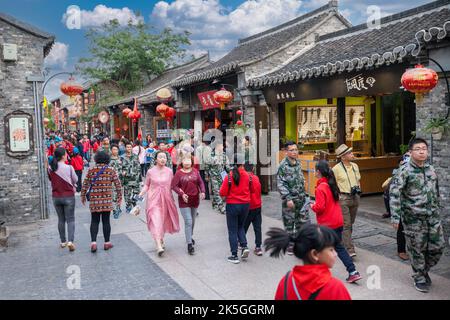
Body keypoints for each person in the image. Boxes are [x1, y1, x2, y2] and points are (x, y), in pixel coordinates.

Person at [389, 138, 445, 293]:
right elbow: (394, 193)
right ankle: (419, 277)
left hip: (432, 217)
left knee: (438, 246)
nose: (422, 151)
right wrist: (395, 217)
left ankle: (423, 269)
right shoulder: (404, 170)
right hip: (413, 218)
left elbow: (436, 191)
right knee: (416, 249)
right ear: (410, 152)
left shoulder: (431, 169)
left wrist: (437, 208)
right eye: (418, 149)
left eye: (424, 148)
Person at [264, 224, 352, 300]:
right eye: (331, 250)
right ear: (314, 254)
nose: (335, 254)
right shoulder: (335, 288)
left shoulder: (286, 281)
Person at [310, 160, 362, 283]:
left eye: (314, 170)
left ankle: (318, 274)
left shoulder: (320, 187)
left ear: (318, 172)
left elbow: (320, 207)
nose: (314, 171)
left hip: (327, 224)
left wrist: (312, 206)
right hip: (337, 221)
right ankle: (353, 271)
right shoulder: (331, 184)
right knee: (339, 248)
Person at [139, 151, 180, 256]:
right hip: (153, 200)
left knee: (162, 221)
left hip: (166, 200)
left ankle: (160, 238)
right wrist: (141, 193)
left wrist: (182, 193)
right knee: (156, 220)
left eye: (164, 157)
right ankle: (158, 245)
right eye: (160, 157)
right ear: (156, 159)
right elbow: (147, 185)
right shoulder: (150, 172)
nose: (163, 159)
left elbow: (173, 185)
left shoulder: (170, 171)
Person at [81, 151, 122, 252]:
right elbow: (118, 184)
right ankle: (107, 243)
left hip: (95, 200)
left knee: (94, 221)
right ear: (107, 159)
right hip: (107, 200)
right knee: (106, 221)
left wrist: (83, 196)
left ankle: (93, 243)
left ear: (96, 159)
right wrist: (119, 197)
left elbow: (85, 184)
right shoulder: (111, 170)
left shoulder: (91, 170)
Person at [219, 158, 254, 264]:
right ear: (243, 164)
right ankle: (244, 246)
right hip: (245, 205)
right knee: (240, 226)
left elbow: (222, 192)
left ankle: (234, 255)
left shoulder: (229, 176)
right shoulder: (249, 176)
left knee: (232, 230)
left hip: (233, 205)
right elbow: (252, 190)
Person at [276, 141, 307, 255]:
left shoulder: (298, 162)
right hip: (290, 199)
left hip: (301, 197)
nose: (294, 152)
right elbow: (280, 184)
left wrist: (304, 183)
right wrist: (288, 198)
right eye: (292, 150)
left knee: (300, 221)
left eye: (296, 149)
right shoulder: (283, 166)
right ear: (286, 152)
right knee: (289, 221)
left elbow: (300, 176)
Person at [171, 155, 206, 255]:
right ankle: (189, 244)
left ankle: (190, 236)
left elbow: (201, 183)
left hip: (195, 200)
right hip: (184, 201)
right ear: (182, 162)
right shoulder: (178, 173)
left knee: (193, 221)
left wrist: (203, 192)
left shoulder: (195, 171)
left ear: (191, 161)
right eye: (184, 160)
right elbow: (173, 186)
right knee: (188, 221)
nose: (187, 162)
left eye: (188, 160)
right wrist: (181, 193)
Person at [332, 144, 361, 258]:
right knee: (346, 224)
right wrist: (337, 196)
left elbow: (358, 180)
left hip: (355, 197)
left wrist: (359, 191)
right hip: (343, 198)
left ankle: (342, 242)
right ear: (343, 157)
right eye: (349, 153)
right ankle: (349, 249)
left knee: (351, 223)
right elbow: (332, 184)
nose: (352, 154)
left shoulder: (355, 166)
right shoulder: (336, 169)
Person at [47, 147, 78, 251]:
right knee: (70, 219)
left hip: (56, 197)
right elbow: (76, 179)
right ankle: (70, 241)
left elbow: (50, 179)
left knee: (61, 219)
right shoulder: (69, 168)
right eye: (66, 154)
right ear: (63, 156)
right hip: (68, 196)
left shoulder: (50, 168)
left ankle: (63, 241)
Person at [382, 155, 410, 260]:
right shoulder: (399, 172)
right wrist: (394, 214)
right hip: (402, 204)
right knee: (401, 228)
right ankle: (401, 250)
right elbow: (393, 194)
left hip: (415, 208)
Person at [205, 142, 232, 215]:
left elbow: (227, 167)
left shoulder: (224, 156)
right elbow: (207, 166)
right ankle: (221, 207)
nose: (223, 146)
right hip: (213, 176)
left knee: (220, 191)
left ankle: (215, 204)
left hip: (222, 176)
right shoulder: (211, 155)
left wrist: (233, 171)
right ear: (217, 146)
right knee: (216, 191)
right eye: (221, 145)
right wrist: (206, 176)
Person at [243, 163, 263, 256]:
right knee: (257, 227)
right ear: (253, 168)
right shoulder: (256, 178)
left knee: (244, 226)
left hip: (248, 206)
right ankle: (258, 247)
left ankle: (242, 243)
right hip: (257, 206)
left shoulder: (244, 178)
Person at [121, 142, 141, 213]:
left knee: (138, 193)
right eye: (127, 147)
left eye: (130, 147)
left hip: (135, 178)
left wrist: (140, 179)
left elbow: (139, 167)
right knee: (127, 194)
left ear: (132, 148)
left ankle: (134, 202)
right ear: (125, 148)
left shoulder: (135, 156)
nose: (129, 148)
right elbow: (120, 168)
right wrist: (122, 173)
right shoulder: (122, 157)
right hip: (127, 179)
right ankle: (128, 206)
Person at [109, 144, 123, 219]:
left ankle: (118, 207)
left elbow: (124, 168)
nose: (115, 151)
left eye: (116, 149)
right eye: (114, 149)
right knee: (113, 196)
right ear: (111, 150)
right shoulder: (108, 160)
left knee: (119, 195)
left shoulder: (121, 159)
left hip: (120, 181)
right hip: (112, 182)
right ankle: (115, 211)